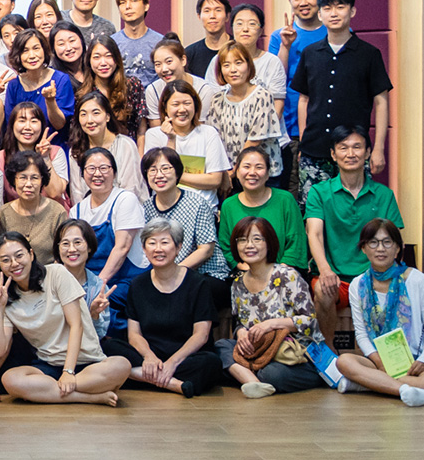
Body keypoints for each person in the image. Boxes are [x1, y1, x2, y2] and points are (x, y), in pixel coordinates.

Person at [0, 231, 131, 405]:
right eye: (5, 260)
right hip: (49, 366)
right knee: (10, 379)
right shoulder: (7, 299)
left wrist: (68, 372)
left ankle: (50, 392)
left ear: (31, 254)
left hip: (87, 363)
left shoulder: (56, 273)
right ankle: (90, 397)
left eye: (19, 256)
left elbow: (76, 325)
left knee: (121, 365)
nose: (14, 263)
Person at [292, 0, 392, 203]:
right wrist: (303, 141)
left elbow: (381, 102)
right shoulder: (310, 53)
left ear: (352, 11)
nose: (334, 13)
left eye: (340, 7)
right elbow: (304, 100)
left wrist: (378, 149)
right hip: (314, 150)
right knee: (312, 211)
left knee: (355, 210)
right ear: (320, 14)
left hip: (353, 152)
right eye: (327, 8)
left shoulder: (369, 54)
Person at [306, 126, 403, 346]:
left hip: (374, 275)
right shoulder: (319, 192)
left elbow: (394, 242)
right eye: (343, 148)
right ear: (333, 154)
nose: (350, 154)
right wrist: (325, 270)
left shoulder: (384, 195)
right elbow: (314, 233)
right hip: (335, 277)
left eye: (357, 147)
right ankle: (328, 356)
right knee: (322, 289)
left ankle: (386, 357)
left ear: (367, 152)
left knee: (400, 287)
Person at [103, 220, 223, 397]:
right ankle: (174, 384)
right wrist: (149, 357)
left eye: (165, 242)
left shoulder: (198, 284)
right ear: (144, 249)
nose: (158, 249)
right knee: (107, 347)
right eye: (152, 243)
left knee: (211, 363)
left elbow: (201, 335)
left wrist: (172, 363)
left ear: (178, 247)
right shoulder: (137, 284)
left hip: (185, 357)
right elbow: (134, 334)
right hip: (151, 355)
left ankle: (140, 376)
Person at [337, 219, 424, 407]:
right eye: (373, 242)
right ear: (364, 248)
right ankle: (404, 390)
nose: (380, 249)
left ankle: (368, 384)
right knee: (344, 361)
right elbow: (361, 334)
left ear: (397, 248)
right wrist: (379, 362)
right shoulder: (357, 285)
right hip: (379, 361)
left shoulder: (417, 280)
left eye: (387, 242)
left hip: (415, 361)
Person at [215, 219, 322, 398]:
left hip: (296, 355)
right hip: (259, 351)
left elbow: (310, 321)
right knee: (220, 347)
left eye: (257, 239)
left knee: (272, 374)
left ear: (269, 243)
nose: (249, 245)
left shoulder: (288, 276)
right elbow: (240, 322)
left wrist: (271, 324)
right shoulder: (237, 284)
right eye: (242, 240)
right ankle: (254, 383)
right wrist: (241, 333)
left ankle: (251, 378)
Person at [71, 146, 148, 331]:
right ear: (83, 174)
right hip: (93, 279)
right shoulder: (77, 211)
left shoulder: (125, 199)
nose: (97, 174)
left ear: (114, 172)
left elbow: (122, 248)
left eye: (104, 168)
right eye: (91, 168)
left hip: (128, 278)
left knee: (103, 307)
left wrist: (96, 287)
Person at [140, 147, 229, 289]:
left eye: (165, 168)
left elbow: (206, 250)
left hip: (204, 274)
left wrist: (173, 272)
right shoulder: (146, 208)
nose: (159, 175)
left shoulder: (197, 203)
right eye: (152, 170)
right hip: (165, 275)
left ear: (178, 173)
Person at [267, 0, 326, 184]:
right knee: (290, 186)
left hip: (324, 125)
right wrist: (286, 46)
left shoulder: (335, 32)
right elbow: (276, 79)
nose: (303, 2)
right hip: (289, 127)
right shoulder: (278, 36)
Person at [204, 45, 286, 189]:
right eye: (226, 65)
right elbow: (214, 138)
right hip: (228, 172)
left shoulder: (262, 96)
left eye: (238, 63)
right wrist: (223, 172)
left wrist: (233, 172)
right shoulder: (217, 100)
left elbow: (255, 140)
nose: (233, 70)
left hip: (260, 174)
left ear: (249, 66)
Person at [218, 146, 308, 272]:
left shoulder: (285, 200)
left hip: (283, 274)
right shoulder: (228, 205)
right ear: (237, 172)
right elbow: (225, 245)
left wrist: (276, 272)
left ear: (268, 174)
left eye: (259, 167)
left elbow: (296, 242)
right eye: (246, 167)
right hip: (245, 274)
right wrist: (244, 268)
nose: (252, 172)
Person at [142, 81, 230, 210]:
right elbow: (157, 179)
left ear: (195, 105)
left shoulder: (208, 133)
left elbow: (215, 180)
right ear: (165, 108)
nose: (182, 109)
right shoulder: (154, 135)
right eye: (175, 104)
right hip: (166, 208)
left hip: (203, 208)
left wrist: (173, 176)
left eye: (187, 103)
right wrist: (171, 139)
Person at [206, 4, 287, 120]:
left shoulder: (272, 62)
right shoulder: (218, 60)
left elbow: (278, 104)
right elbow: (212, 101)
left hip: (267, 129)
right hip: (228, 128)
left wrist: (262, 130)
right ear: (232, 29)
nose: (245, 29)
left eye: (252, 24)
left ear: (261, 30)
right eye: (239, 24)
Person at [68, 91, 146, 204]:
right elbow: (77, 192)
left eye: (96, 113)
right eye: (83, 114)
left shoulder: (125, 145)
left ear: (107, 117)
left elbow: (131, 189)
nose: (89, 120)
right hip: (89, 211)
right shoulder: (76, 150)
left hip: (125, 208)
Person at [0, 151, 67, 267]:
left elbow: (63, 255)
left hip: (49, 275)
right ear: (14, 180)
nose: (28, 184)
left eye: (34, 178)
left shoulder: (57, 212)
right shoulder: (4, 213)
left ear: (42, 180)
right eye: (23, 177)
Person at [80, 35, 148, 147]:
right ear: (89, 61)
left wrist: (139, 156)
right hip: (98, 152)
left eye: (109, 56)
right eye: (96, 57)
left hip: (128, 149)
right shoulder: (84, 93)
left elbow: (141, 129)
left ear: (117, 59)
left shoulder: (132, 85)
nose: (103, 62)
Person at [0, 101, 66, 206]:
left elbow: (55, 194)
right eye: (22, 121)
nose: (27, 127)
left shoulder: (55, 152)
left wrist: (45, 158)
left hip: (54, 213)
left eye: (34, 121)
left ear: (42, 126)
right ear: (12, 125)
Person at [4, 28, 71, 134]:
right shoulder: (14, 85)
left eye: (36, 48)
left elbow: (59, 124)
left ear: (44, 50)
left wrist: (50, 101)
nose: (32, 56)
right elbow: (10, 126)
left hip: (54, 142)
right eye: (25, 51)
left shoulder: (61, 80)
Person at [52, 218, 111, 337]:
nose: (72, 249)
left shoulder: (98, 287)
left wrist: (94, 315)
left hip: (86, 346)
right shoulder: (48, 280)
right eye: (65, 244)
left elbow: (99, 335)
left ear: (89, 247)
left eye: (78, 242)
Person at [145, 36, 217, 126]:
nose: (164, 69)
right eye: (158, 64)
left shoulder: (203, 90)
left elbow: (201, 127)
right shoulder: (153, 90)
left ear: (183, 60)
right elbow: (156, 129)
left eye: (169, 61)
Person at [112, 0, 164, 88]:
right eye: (122, 2)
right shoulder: (112, 43)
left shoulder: (160, 42)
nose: (128, 6)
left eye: (134, 0)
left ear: (146, 5)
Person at [184, 0, 232, 80]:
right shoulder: (190, 53)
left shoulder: (239, 48)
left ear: (227, 16)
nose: (212, 16)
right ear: (199, 16)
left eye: (218, 10)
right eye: (207, 11)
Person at [47, 20, 89, 98]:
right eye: (61, 44)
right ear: (53, 49)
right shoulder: (53, 78)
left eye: (72, 41)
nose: (68, 48)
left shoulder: (93, 68)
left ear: (81, 40)